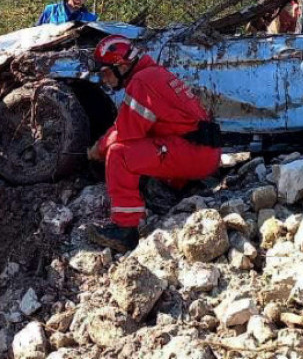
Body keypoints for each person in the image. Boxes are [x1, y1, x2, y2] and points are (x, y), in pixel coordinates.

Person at [85, 35, 222, 252]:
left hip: (194, 153)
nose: (105, 79)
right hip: (200, 150)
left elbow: (124, 133)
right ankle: (174, 189)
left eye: (106, 72)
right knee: (143, 146)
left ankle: (124, 229)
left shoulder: (142, 82)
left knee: (119, 154)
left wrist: (97, 149)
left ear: (122, 65)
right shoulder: (154, 74)